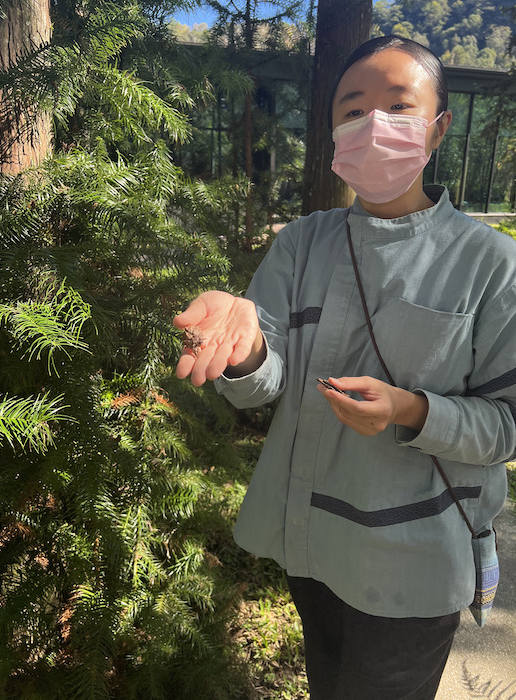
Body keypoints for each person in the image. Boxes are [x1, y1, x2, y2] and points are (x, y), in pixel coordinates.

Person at [174, 35, 516, 700]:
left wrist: (411, 410)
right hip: (311, 548)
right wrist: (242, 345)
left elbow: (505, 427)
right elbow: (262, 382)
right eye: (352, 110)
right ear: (332, 130)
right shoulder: (300, 244)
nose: (374, 126)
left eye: (398, 105)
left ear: (438, 127)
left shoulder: (489, 264)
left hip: (412, 568)